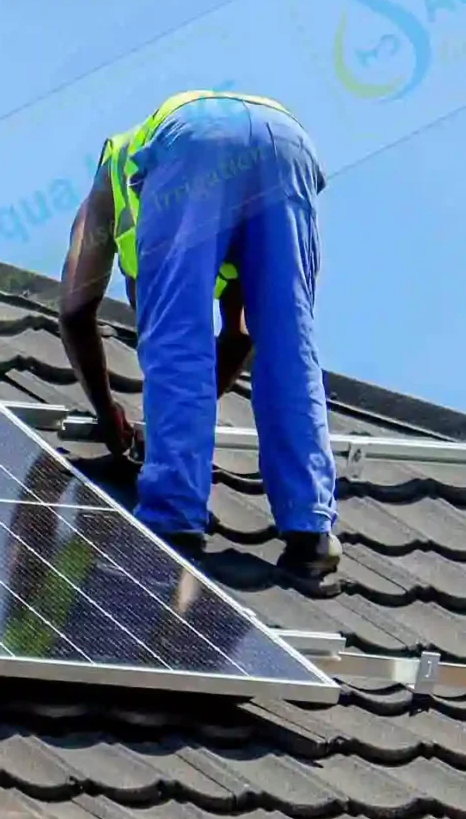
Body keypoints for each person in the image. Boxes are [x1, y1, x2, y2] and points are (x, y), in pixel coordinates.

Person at [58, 89, 339, 576]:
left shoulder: (111, 181)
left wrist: (110, 416)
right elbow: (244, 333)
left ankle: (174, 516)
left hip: (192, 139)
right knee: (290, 343)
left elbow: (75, 310)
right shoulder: (226, 229)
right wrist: (179, 417)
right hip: (286, 140)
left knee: (175, 335)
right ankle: (310, 529)